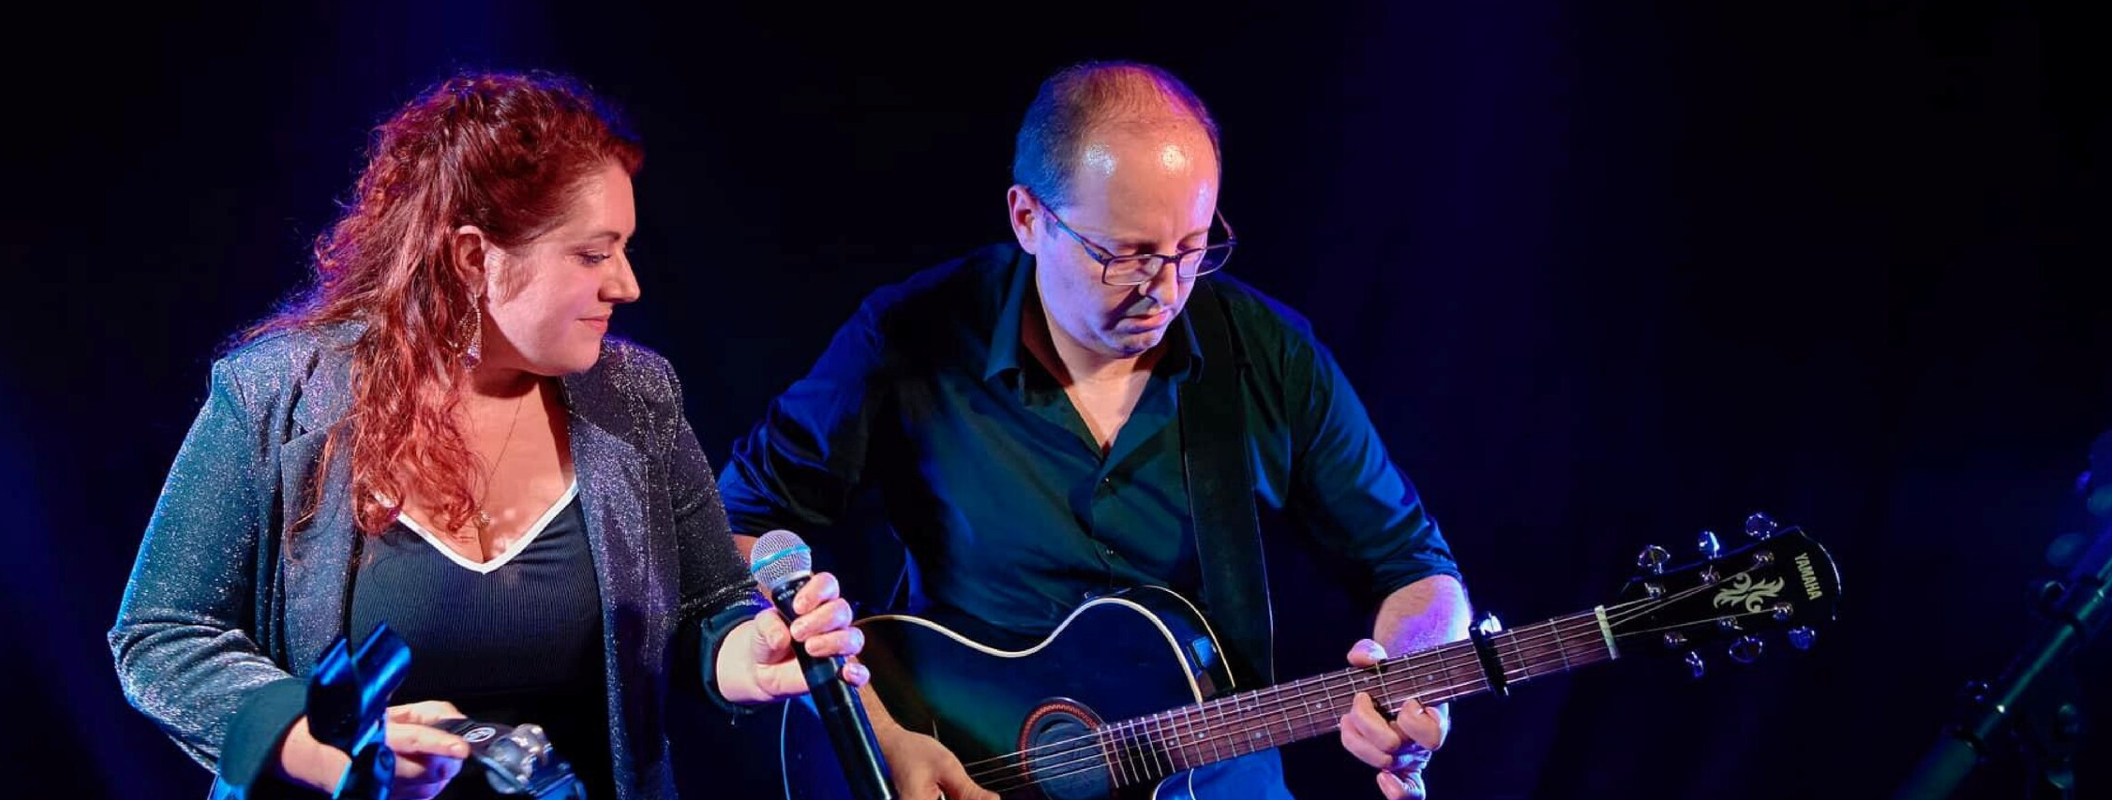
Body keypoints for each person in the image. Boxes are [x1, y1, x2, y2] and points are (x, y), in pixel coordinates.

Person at [719, 61, 1470, 800]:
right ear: (1028, 218)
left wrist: (1410, 682)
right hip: (966, 768)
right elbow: (740, 528)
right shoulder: (909, 339)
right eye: (1129, 254)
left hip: (1210, 777)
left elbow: (1415, 566)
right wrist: (883, 736)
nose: (1168, 289)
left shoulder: (1269, 355)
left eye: (1193, 247)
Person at [109, 71, 867, 800]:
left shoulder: (635, 398)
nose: (627, 284)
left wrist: (749, 656)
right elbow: (163, 635)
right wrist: (321, 744)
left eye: (625, 250)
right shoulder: (275, 394)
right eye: (593, 254)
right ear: (474, 257)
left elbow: (712, 605)